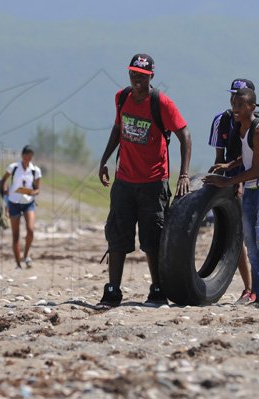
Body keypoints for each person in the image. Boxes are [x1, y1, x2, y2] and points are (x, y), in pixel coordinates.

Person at [97, 53, 192, 308]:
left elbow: (185, 135)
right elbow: (118, 129)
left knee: (153, 238)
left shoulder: (161, 103)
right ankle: (113, 290)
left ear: (151, 76)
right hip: (124, 180)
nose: (136, 79)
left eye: (141, 76)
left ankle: (158, 289)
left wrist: (183, 174)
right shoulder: (122, 98)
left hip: (153, 181)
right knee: (117, 235)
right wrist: (104, 159)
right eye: (133, 74)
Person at [204, 87, 259, 308]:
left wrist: (226, 181)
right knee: (250, 241)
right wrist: (230, 164)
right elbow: (247, 156)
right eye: (233, 104)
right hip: (251, 187)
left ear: (251, 107)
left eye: (239, 105)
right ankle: (258, 292)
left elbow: (256, 169)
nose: (234, 109)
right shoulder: (243, 127)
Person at [207, 78, 257, 305]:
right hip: (230, 180)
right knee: (234, 238)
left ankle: (257, 289)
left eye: (240, 98)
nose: (235, 103)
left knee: (254, 238)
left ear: (250, 102)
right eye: (232, 97)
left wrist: (240, 183)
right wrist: (223, 182)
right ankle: (249, 288)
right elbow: (220, 158)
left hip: (254, 182)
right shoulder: (222, 120)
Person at [1, 145, 42, 269]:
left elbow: (37, 189)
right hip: (14, 202)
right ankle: (18, 263)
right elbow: (3, 181)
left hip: (28, 202)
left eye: (30, 156)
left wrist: (31, 192)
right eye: (26, 155)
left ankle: (26, 254)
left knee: (30, 230)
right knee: (16, 235)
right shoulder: (13, 167)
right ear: (22, 155)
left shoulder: (35, 170)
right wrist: (6, 195)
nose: (27, 158)